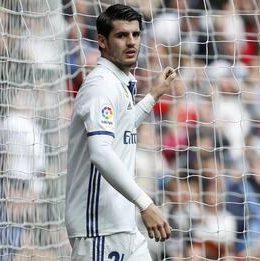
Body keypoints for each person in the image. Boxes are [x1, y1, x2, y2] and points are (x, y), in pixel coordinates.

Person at [65, 4, 177, 260]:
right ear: (102, 41)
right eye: (121, 35)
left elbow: (122, 128)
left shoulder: (118, 82)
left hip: (122, 224)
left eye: (135, 35)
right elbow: (101, 153)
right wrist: (145, 204)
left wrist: (153, 95)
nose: (131, 42)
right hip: (99, 227)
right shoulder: (100, 86)